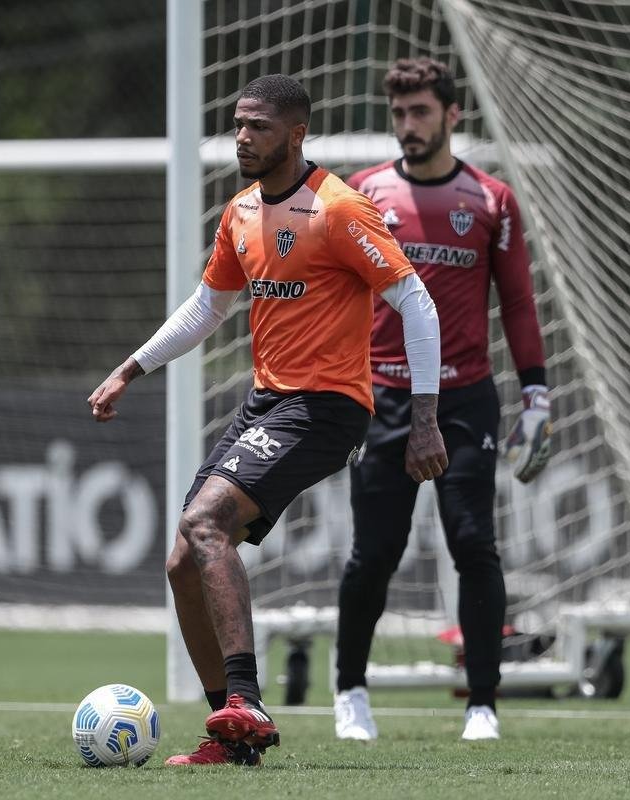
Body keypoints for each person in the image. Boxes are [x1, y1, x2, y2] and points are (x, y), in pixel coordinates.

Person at [88, 73, 447, 766]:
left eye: (256, 126)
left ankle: (245, 701)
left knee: (203, 524)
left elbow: (415, 303)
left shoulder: (340, 210)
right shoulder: (241, 213)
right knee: (181, 560)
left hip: (327, 406)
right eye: (237, 125)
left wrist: (424, 417)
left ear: (295, 132)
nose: (242, 138)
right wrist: (129, 369)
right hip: (267, 402)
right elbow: (206, 308)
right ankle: (233, 735)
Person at [332, 57, 552, 743]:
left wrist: (536, 391)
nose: (408, 126)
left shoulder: (491, 200)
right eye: (399, 114)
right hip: (382, 397)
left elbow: (515, 302)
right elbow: (336, 298)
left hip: (464, 398)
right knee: (374, 553)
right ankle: (350, 693)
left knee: (472, 543)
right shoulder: (362, 195)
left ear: (451, 115)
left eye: (420, 112)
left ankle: (481, 704)